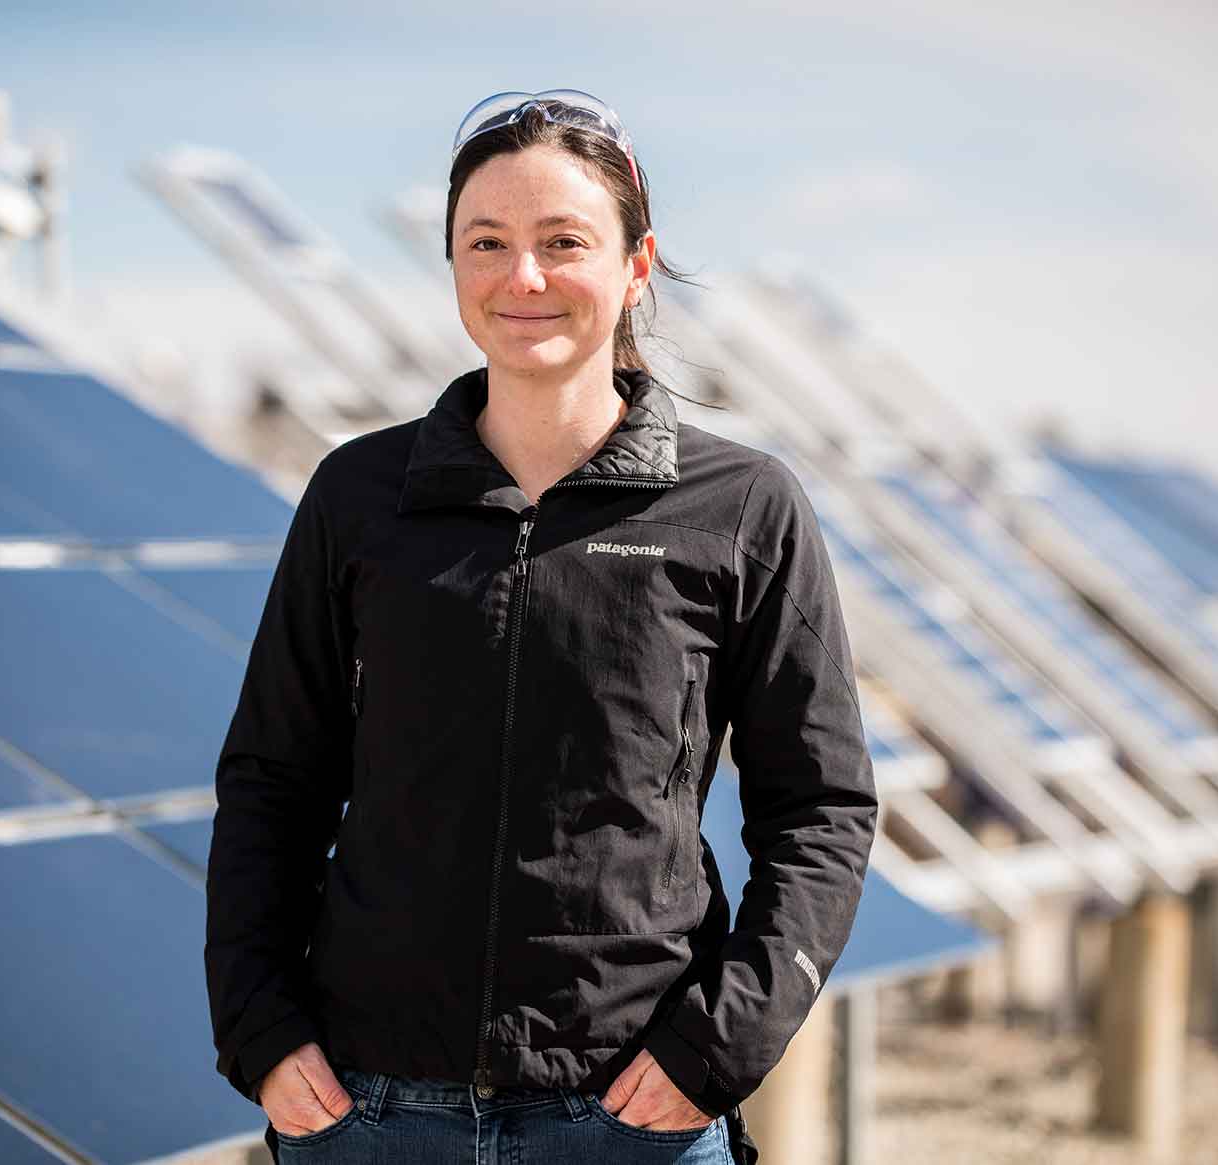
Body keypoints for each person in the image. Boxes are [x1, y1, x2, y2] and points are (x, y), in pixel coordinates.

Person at [205, 88, 879, 1164]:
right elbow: (272, 780)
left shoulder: (743, 505)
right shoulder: (359, 493)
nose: (523, 278)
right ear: (455, 265)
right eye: (488, 243)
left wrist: (722, 1043)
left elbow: (823, 808)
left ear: (635, 265)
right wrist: (261, 1030)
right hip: (368, 1114)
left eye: (563, 241)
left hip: (627, 1116)